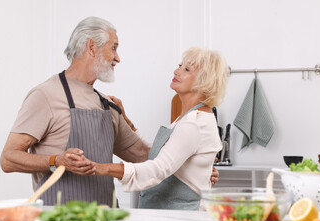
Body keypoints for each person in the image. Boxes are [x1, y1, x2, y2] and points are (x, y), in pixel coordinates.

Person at [0, 17, 219, 206]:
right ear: (92, 47)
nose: (118, 57)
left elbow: (145, 157)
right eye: (113, 47)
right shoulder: (45, 95)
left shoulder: (108, 105)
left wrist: (194, 168)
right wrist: (56, 160)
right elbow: (8, 159)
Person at [91, 47, 230, 210]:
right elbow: (162, 153)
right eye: (180, 65)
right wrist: (126, 120)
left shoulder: (193, 123)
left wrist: (103, 167)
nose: (176, 71)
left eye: (186, 69)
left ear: (204, 81)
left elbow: (157, 169)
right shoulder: (188, 118)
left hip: (180, 217)